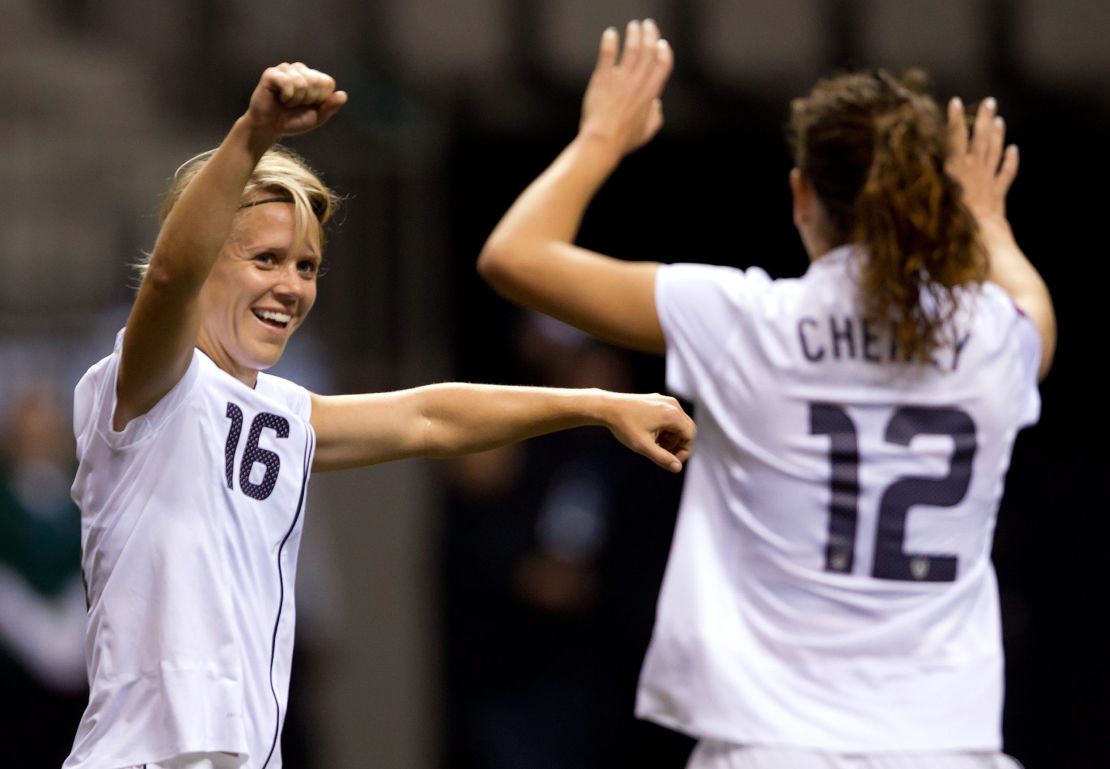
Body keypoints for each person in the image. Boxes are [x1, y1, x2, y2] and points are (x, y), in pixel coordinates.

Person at [63, 62, 695, 769]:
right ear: (211, 255)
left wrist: (598, 405)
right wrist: (253, 134)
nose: (290, 285)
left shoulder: (278, 408)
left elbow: (429, 418)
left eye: (306, 266)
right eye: (267, 258)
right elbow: (172, 275)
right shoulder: (141, 384)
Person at [477, 19, 1055, 769]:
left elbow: (513, 257)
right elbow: (1033, 315)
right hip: (946, 747)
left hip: (772, 745)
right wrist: (987, 223)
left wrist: (601, 139)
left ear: (801, 195)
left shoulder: (749, 322)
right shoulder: (990, 337)